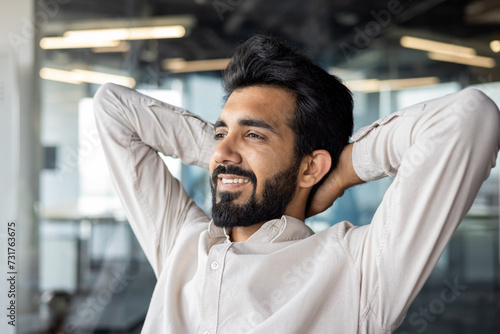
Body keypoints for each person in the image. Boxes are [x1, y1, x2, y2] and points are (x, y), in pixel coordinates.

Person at [93, 35, 500, 333]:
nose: (222, 149)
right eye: (220, 132)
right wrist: (230, 156)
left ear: (310, 168)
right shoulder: (183, 241)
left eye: (255, 134)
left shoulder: (358, 271)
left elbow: (469, 119)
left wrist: (340, 172)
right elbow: (113, 108)